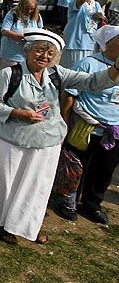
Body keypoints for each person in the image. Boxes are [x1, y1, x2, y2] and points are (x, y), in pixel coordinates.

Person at [0, 29, 119, 244]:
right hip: (14, 140)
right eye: (39, 51)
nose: (44, 57)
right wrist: (18, 113)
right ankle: (5, 223)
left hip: (48, 142)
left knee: (39, 186)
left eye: (50, 53)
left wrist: (116, 69)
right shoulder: (10, 74)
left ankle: (29, 225)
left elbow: (91, 82)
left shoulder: (57, 73)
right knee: (10, 182)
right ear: (28, 51)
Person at [51, 26, 119, 225]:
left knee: (105, 169)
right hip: (87, 127)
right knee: (76, 166)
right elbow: (69, 96)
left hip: (114, 129)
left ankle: (92, 204)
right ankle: (67, 200)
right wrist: (65, 123)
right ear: (110, 42)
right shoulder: (89, 64)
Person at [60, 0, 107, 68]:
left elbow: (103, 21)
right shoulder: (75, 1)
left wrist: (100, 17)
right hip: (75, 42)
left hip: (91, 43)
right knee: (72, 69)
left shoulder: (96, 5)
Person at [0, 0, 44, 70]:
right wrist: (24, 37)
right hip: (10, 56)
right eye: (26, 9)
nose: (29, 11)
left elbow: (40, 31)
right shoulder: (12, 14)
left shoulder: (37, 17)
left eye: (32, 9)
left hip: (28, 57)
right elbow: (4, 31)